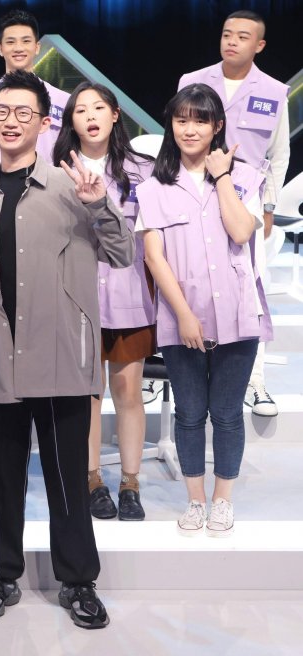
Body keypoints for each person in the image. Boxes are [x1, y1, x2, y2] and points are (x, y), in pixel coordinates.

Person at [0, 70, 134, 629]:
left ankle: (78, 581)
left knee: (66, 481)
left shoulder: (73, 187)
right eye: (3, 112)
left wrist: (100, 205)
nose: (11, 122)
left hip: (60, 358)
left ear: (44, 121)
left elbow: (123, 254)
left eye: (23, 113)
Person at [135, 84, 272, 539]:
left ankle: (222, 500)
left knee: (227, 414)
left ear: (217, 126)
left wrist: (222, 177)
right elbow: (154, 258)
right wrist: (184, 316)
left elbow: (242, 231)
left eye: (200, 120)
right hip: (182, 318)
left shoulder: (245, 177)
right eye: (181, 120)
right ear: (170, 126)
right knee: (190, 413)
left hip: (237, 315)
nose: (189, 129)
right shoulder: (152, 187)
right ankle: (195, 501)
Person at [53, 82, 156, 521]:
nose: (90, 116)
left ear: (115, 114)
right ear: (70, 121)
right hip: (76, 297)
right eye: (80, 110)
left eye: (98, 107)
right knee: (88, 394)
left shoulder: (144, 170)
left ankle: (130, 483)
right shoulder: (55, 171)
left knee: (129, 390)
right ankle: (92, 479)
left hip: (129, 295)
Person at [178, 10, 289, 418]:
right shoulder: (193, 80)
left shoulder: (274, 91)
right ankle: (174, 372)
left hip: (245, 202)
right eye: (227, 34)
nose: (232, 41)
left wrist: (270, 206)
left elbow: (279, 155)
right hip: (194, 195)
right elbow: (175, 139)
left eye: (243, 36)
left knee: (250, 290)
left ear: (259, 45)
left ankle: (253, 381)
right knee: (187, 280)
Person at [0, 10, 70, 163]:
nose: (18, 48)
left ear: (37, 47)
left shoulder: (63, 100)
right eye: (10, 42)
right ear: (0, 49)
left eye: (26, 41)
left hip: (48, 177)